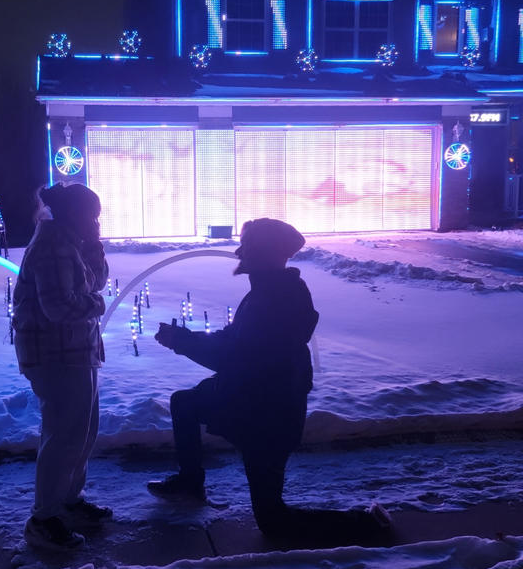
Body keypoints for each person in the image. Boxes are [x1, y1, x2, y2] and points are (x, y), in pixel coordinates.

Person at [148, 218, 391, 545]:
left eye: (246, 245)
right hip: (247, 396)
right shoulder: (269, 290)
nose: (238, 251)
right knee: (184, 403)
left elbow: (235, 357)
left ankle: (366, 523)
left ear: (263, 251)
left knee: (273, 521)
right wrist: (184, 337)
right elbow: (235, 342)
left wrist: (182, 342)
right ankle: (190, 482)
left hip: (267, 415)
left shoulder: (275, 299)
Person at [13, 182, 111, 551]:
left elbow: (96, 282)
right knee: (64, 436)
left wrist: (95, 248)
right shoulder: (53, 247)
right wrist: (96, 305)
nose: (97, 223)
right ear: (76, 215)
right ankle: (44, 519)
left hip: (76, 350)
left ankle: (68, 501)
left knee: (82, 433)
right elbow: (59, 309)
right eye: (93, 217)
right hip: (54, 354)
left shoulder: (71, 244)